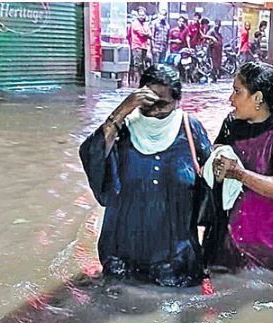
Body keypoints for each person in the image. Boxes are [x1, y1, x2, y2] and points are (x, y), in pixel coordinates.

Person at [79, 65, 212, 287]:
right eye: (150, 102)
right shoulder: (123, 128)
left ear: (177, 101)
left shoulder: (190, 128)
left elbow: (213, 179)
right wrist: (124, 109)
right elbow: (92, 154)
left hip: (176, 260)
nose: (156, 111)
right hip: (122, 255)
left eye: (164, 104)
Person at [203, 62, 273, 272]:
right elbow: (216, 153)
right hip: (227, 238)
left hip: (269, 242)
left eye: (237, 92)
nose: (231, 100)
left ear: (258, 98)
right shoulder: (231, 124)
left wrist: (238, 173)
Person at [129, 7, 152, 83]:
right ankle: (137, 80)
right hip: (137, 46)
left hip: (144, 46)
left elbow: (149, 34)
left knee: (142, 63)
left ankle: (142, 79)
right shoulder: (135, 23)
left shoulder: (145, 24)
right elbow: (142, 33)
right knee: (137, 64)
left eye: (143, 15)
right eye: (140, 15)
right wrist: (146, 34)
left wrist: (147, 34)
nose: (142, 17)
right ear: (138, 15)